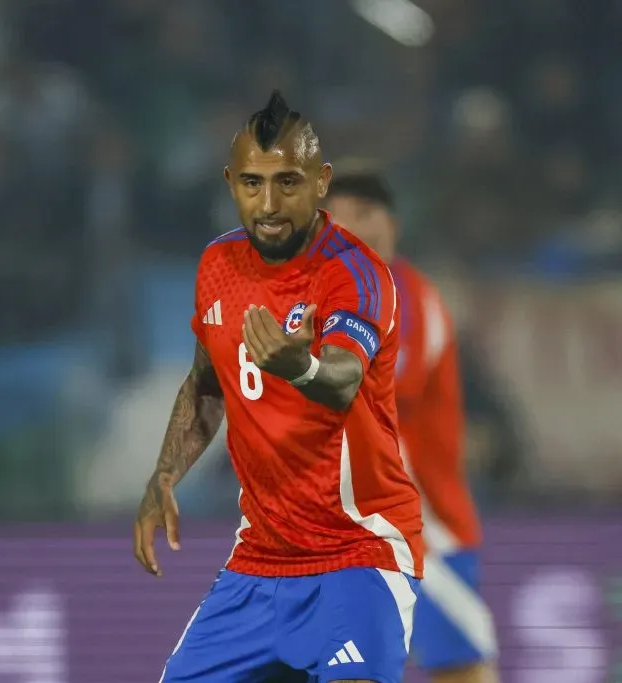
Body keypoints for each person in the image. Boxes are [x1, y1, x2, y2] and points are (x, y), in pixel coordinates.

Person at [134, 90, 424, 683]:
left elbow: (344, 380)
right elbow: (205, 387)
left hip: (358, 556)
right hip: (258, 562)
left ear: (321, 182)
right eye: (251, 183)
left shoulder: (356, 273)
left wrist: (302, 368)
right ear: (229, 182)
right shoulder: (217, 265)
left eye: (287, 182)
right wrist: (164, 475)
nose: (268, 203)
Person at [325, 170, 499, 683]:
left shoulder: (410, 297)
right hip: (351, 527)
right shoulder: (325, 298)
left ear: (393, 227)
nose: (356, 227)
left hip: (424, 525)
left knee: (459, 668)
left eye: (367, 215)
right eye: (343, 217)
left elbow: (379, 385)